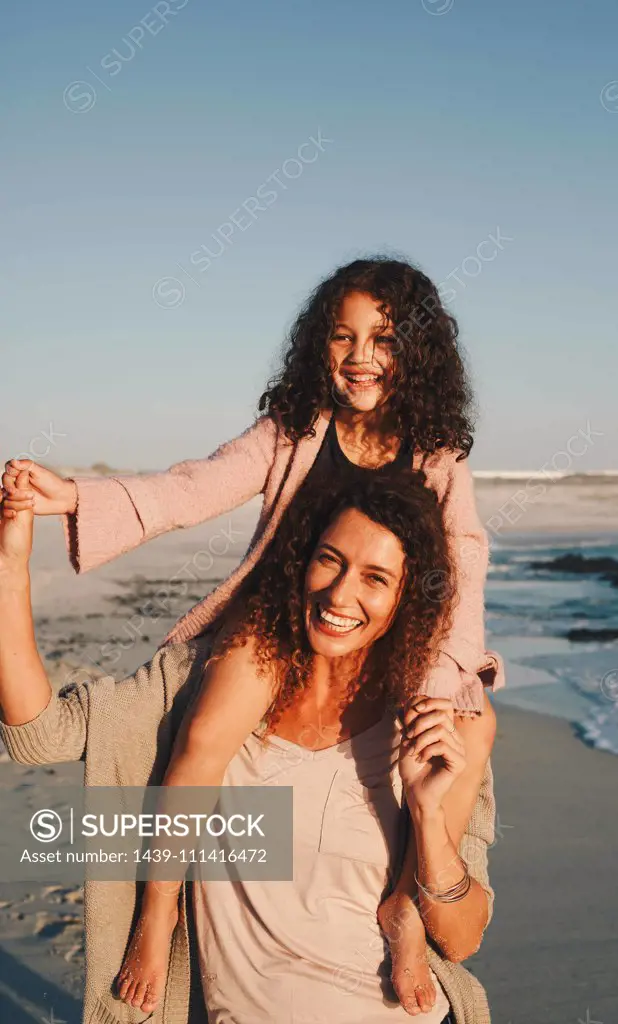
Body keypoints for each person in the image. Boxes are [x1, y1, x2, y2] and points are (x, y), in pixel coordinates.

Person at [1, 257, 503, 1014]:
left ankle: (405, 905)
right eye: (343, 336)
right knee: (203, 734)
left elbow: (461, 570)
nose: (361, 356)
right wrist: (73, 497)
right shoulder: (294, 429)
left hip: (398, 641)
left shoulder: (438, 456)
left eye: (384, 339)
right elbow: (191, 488)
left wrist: (434, 690)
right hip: (277, 621)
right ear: (318, 346)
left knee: (468, 724)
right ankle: (159, 908)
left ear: (417, 353)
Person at [0, 469, 497, 1024]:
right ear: (302, 559)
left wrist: (428, 816)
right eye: (330, 559)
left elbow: (459, 940)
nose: (341, 593)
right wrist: (8, 567)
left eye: (375, 578)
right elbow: (38, 735)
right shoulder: (213, 681)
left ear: (408, 598)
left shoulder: (433, 720)